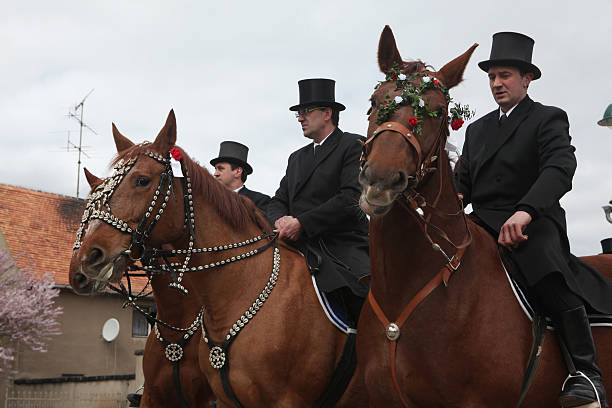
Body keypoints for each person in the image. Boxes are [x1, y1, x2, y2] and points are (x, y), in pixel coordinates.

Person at [455, 32, 612, 407]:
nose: (496, 84)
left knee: (545, 268)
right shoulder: (477, 130)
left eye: (505, 75)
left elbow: (560, 168)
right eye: (492, 77)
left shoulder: (547, 118)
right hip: (481, 223)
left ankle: (587, 375)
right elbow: (463, 182)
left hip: (534, 220)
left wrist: (525, 211)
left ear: (527, 79)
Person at [267, 78, 369, 325]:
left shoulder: (352, 145)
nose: (300, 118)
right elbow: (277, 200)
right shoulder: (296, 158)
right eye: (298, 114)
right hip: (295, 242)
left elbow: (349, 198)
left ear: (327, 114)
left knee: (363, 294)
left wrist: (302, 222)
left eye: (305, 112)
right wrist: (280, 220)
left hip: (340, 242)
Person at [210, 141, 270, 213]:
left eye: (220, 169)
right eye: (215, 169)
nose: (215, 174)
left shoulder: (259, 201)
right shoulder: (210, 200)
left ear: (238, 172)